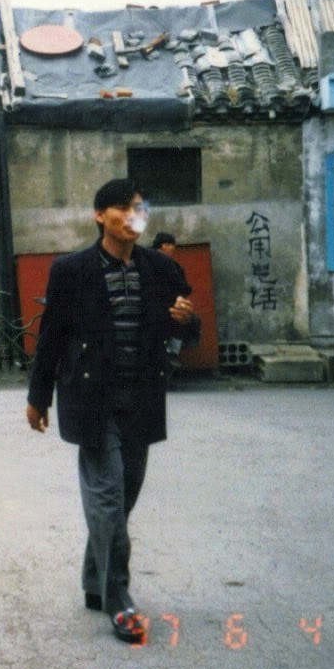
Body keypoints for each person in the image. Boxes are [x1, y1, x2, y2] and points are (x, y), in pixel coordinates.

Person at [25, 178, 200, 644]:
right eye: (122, 208)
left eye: (139, 209)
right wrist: (38, 396)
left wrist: (188, 320)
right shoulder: (72, 270)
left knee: (122, 500)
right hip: (92, 401)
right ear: (100, 216)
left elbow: (186, 326)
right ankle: (119, 598)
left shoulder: (161, 270)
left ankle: (92, 583)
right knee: (106, 501)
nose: (132, 216)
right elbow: (52, 336)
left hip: (141, 399)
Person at [152, 232, 186, 368]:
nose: (172, 248)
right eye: (168, 244)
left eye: (172, 245)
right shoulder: (148, 262)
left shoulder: (175, 266)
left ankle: (172, 353)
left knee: (185, 319)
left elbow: (183, 286)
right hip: (152, 305)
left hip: (169, 304)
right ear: (161, 247)